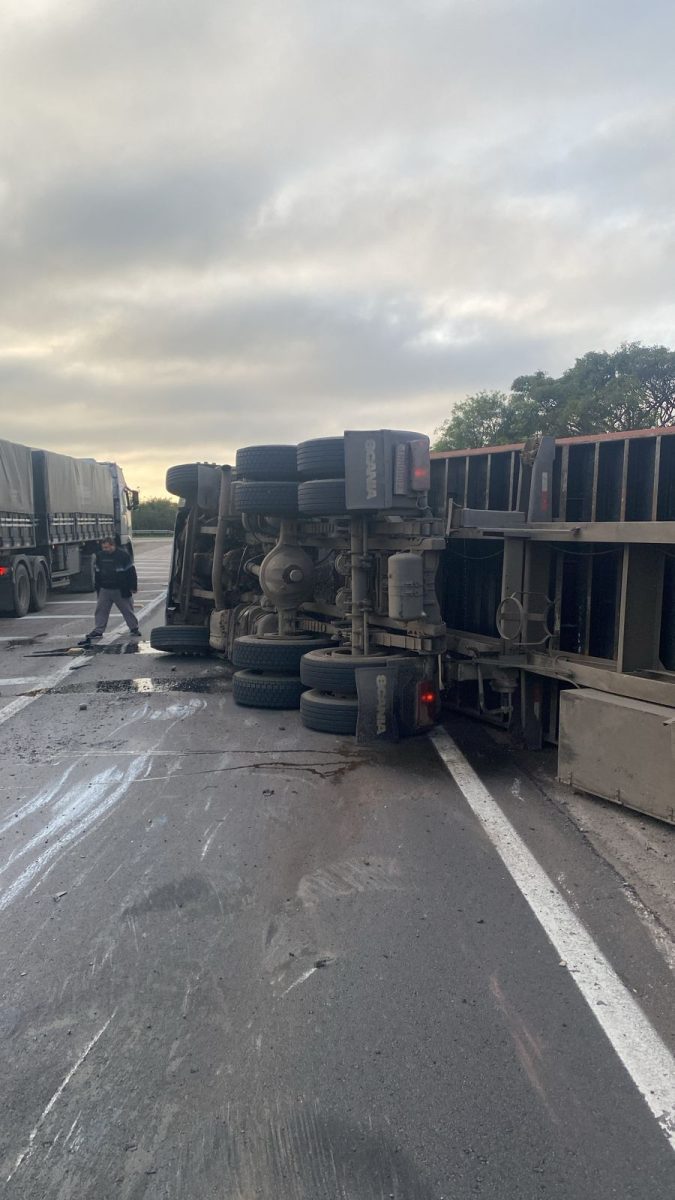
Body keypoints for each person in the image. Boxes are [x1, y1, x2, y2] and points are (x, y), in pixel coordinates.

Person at [79, 536, 140, 644]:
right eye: (104, 548)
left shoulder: (123, 555)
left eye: (107, 547)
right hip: (105, 589)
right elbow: (97, 573)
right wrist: (98, 588)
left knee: (127, 610)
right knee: (101, 611)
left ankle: (134, 628)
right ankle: (98, 630)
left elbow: (131, 572)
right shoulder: (100, 556)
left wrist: (133, 587)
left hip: (121, 589)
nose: (105, 550)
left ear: (113, 545)